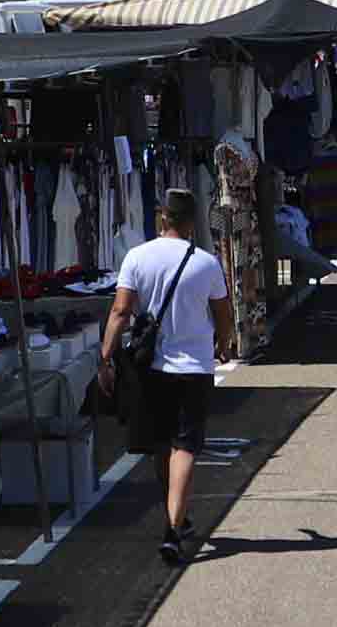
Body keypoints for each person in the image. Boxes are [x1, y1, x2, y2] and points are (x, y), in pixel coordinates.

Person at [99, 188, 237, 569]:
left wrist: (106, 358)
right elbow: (223, 313)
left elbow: (120, 311)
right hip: (193, 368)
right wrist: (223, 344)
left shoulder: (137, 258)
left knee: (162, 445)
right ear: (191, 221)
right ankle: (174, 529)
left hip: (151, 369)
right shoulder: (206, 263)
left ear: (162, 217)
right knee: (185, 446)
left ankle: (176, 518)